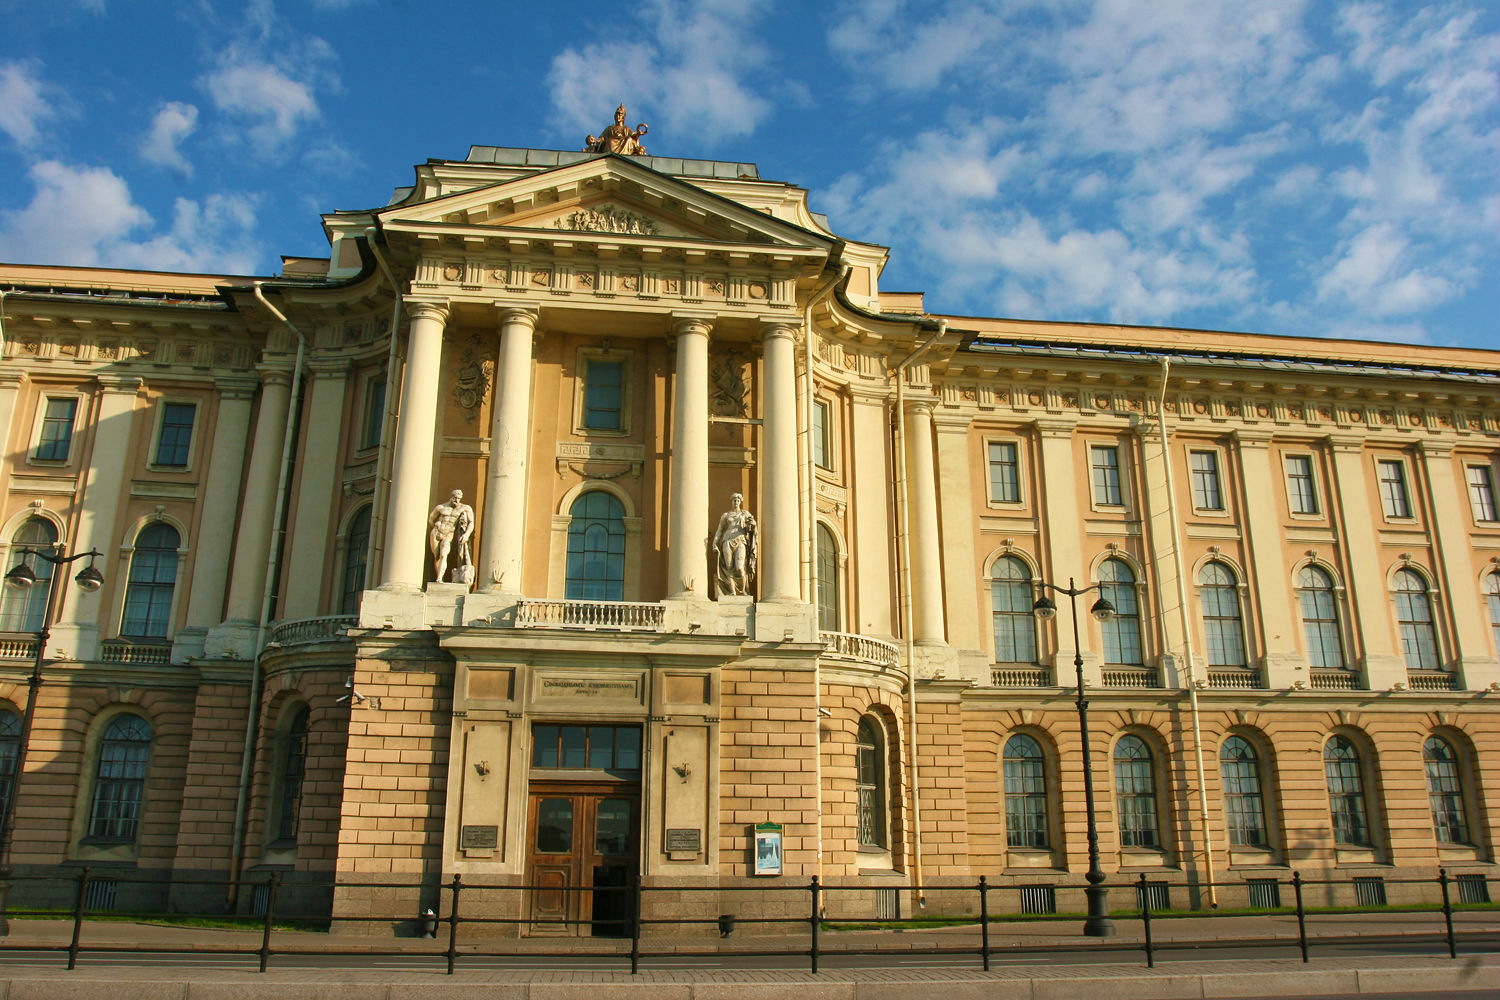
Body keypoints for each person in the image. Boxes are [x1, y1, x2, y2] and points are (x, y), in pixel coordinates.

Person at [712, 493, 757, 596]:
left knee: (739, 567)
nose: (736, 502)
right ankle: (732, 591)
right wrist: (714, 543)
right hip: (727, 541)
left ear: (740, 502)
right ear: (731, 502)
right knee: (728, 568)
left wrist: (753, 524)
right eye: (734, 500)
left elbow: (753, 526)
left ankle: (743, 591)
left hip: (740, 540)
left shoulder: (745, 514)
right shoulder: (726, 515)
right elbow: (720, 530)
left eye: (738, 500)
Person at [428, 489, 474, 585]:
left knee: (443, 554)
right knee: (437, 556)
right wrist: (436, 525)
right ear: (451, 497)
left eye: (459, 498)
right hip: (436, 532)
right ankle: (438, 577)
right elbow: (431, 519)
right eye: (455, 498)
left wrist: (466, 534)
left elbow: (471, 522)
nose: (457, 500)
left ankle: (439, 578)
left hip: (449, 534)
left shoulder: (464, 508)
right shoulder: (441, 507)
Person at [585, 104, 649, 156]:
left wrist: (638, 133)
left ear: (623, 117)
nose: (618, 117)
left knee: (629, 139)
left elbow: (633, 135)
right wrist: (598, 141)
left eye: (620, 115)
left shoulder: (626, 128)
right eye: (617, 115)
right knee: (610, 141)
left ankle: (624, 155)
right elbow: (602, 137)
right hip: (612, 142)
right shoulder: (610, 128)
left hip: (624, 142)